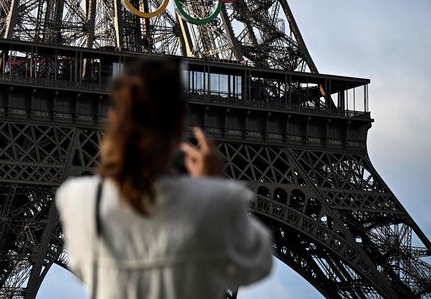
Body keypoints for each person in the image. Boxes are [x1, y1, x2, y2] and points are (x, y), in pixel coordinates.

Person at [55, 58, 272, 298]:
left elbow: (81, 266)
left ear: (114, 118)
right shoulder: (217, 202)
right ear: (181, 124)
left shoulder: (79, 199)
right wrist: (214, 187)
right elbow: (257, 262)